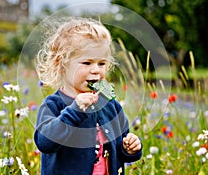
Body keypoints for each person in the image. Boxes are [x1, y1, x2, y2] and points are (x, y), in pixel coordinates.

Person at [34, 17, 142, 175]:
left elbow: (120, 145)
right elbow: (45, 143)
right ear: (62, 64)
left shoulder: (110, 105)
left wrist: (130, 149)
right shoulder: (54, 105)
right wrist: (75, 111)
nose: (96, 70)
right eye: (87, 63)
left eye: (102, 63)